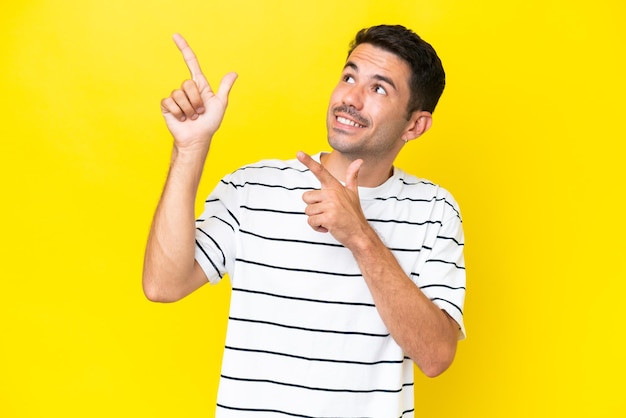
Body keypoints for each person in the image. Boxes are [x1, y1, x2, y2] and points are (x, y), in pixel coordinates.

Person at [143, 24, 466, 417]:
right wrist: (190, 148)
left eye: (379, 88)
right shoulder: (253, 188)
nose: (351, 97)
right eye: (349, 76)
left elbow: (435, 356)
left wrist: (360, 236)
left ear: (415, 125)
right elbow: (162, 284)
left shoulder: (433, 210)